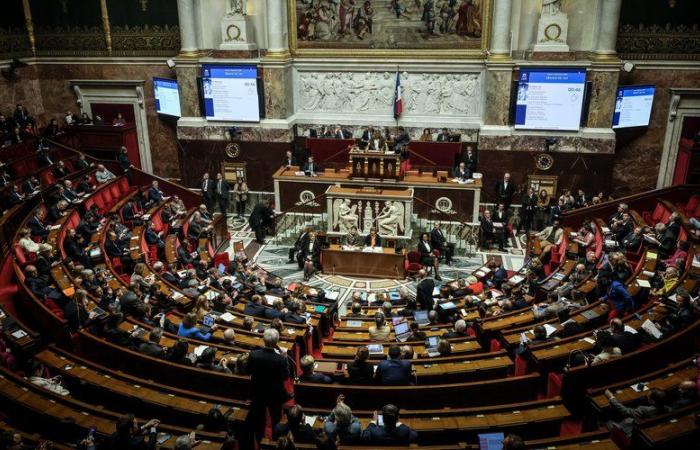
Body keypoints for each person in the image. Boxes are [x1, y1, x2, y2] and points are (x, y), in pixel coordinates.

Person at [246, 328, 290, 442]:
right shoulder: (280, 359)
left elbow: (248, 370)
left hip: (258, 391)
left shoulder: (253, 354)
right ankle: (275, 441)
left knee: (259, 418)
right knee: (275, 418)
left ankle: (260, 439)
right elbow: (286, 377)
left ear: (263, 340)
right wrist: (285, 358)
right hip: (274, 394)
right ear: (276, 342)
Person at [604, 388, 668, 436]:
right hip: (652, 429)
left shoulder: (643, 409)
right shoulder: (668, 409)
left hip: (633, 433)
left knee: (607, 421)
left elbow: (625, 411)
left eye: (648, 397)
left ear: (653, 401)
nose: (647, 397)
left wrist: (611, 397)